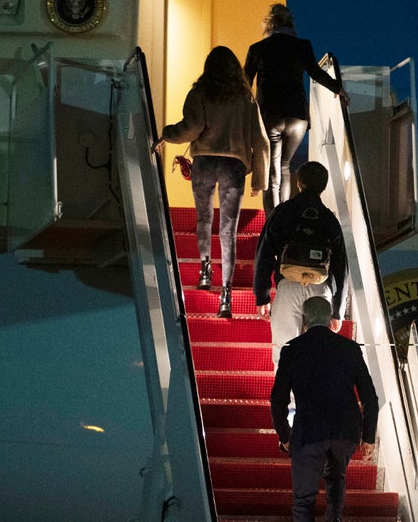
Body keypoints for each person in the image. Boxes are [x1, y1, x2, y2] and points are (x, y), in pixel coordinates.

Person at [157, 46, 270, 318]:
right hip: (233, 166)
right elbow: (261, 141)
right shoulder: (245, 98)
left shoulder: (200, 93)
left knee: (204, 219)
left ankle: (205, 269)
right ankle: (226, 296)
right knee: (228, 229)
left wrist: (166, 134)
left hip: (205, 162)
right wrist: (259, 178)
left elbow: (190, 129)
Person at [270, 296, 378, 522]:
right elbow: (369, 396)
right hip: (345, 431)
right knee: (336, 479)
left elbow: (277, 399)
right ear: (330, 320)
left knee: (303, 499)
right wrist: (368, 437)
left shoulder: (292, 350)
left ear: (304, 320)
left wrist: (284, 435)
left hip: (309, 431)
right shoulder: (349, 348)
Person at [244, 3, 350, 216]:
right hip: (297, 117)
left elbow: (244, 83)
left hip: (269, 116)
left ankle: (274, 222)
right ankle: (284, 216)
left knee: (271, 172)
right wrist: (338, 89)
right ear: (290, 24)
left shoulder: (257, 49)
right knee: (284, 166)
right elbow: (316, 73)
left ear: (269, 25)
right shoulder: (302, 46)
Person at [253, 161, 348, 362]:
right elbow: (341, 267)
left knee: (285, 351)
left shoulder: (283, 212)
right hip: (321, 289)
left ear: (299, 183)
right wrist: (338, 310)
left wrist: (262, 295)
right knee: (317, 355)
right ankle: (311, 393)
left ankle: (285, 394)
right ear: (324, 186)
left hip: (288, 286)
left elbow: (264, 253)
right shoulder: (329, 219)